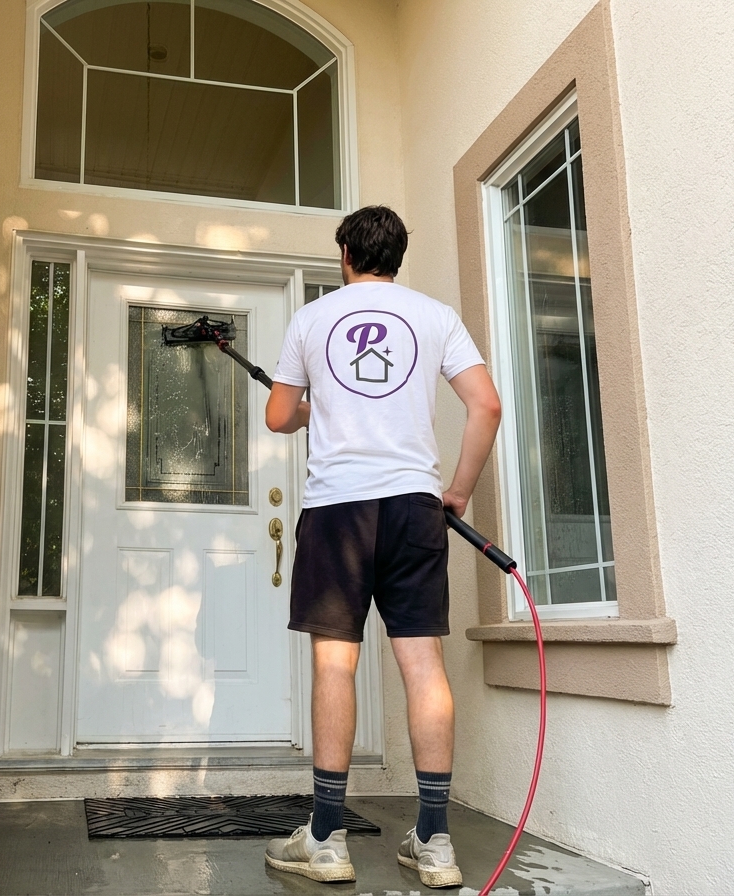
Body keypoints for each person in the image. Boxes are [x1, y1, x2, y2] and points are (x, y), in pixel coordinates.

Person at [262, 206, 502, 888]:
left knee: (335, 665)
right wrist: (457, 491)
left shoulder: (313, 319)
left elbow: (278, 415)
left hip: (338, 509)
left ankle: (326, 840)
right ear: (398, 256)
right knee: (423, 664)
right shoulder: (435, 316)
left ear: (345, 254)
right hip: (414, 506)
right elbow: (486, 405)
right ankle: (435, 843)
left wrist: (314, 408)